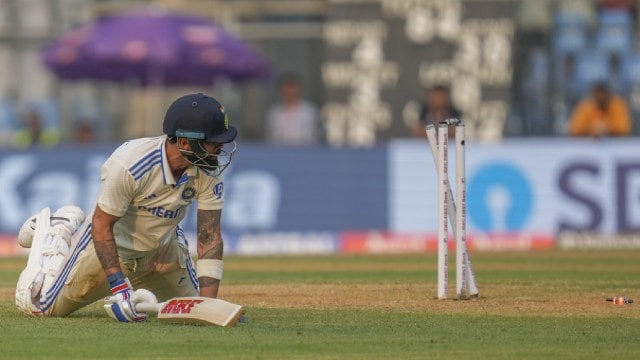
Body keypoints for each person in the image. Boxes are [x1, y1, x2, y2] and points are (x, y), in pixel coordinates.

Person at [15, 93, 237, 322]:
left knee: (190, 315)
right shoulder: (131, 164)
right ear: (183, 142)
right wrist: (119, 287)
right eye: (212, 142)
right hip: (113, 248)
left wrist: (209, 307)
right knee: (39, 306)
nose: (219, 149)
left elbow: (209, 236)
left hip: (162, 249)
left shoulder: (207, 168)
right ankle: (55, 231)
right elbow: (102, 224)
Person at [265, 73, 320, 145]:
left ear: (298, 89)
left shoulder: (309, 111)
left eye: (292, 87)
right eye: (286, 87)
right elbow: (270, 138)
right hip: (279, 153)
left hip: (305, 152)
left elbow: (314, 136)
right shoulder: (274, 113)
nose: (289, 91)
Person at [568, 82, 632, 137]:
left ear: (608, 95)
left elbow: (624, 128)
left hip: (615, 146)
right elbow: (574, 130)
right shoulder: (586, 106)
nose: (600, 97)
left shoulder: (617, 104)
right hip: (588, 146)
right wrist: (592, 130)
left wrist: (607, 129)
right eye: (597, 94)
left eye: (602, 94)